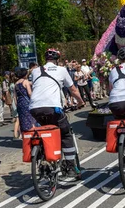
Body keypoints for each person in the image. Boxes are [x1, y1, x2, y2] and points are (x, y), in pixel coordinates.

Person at [29, 48, 84, 181]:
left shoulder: (35, 71)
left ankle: (44, 158)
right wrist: (80, 102)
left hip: (35, 108)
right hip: (52, 107)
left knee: (45, 130)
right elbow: (73, 89)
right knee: (65, 134)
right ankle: (71, 167)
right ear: (57, 59)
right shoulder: (62, 70)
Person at [14, 67, 36, 136]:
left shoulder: (16, 84)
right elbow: (29, 93)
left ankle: (25, 135)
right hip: (27, 102)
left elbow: (15, 96)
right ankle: (32, 133)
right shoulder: (25, 82)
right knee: (30, 119)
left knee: (22, 120)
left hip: (20, 103)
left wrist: (17, 104)